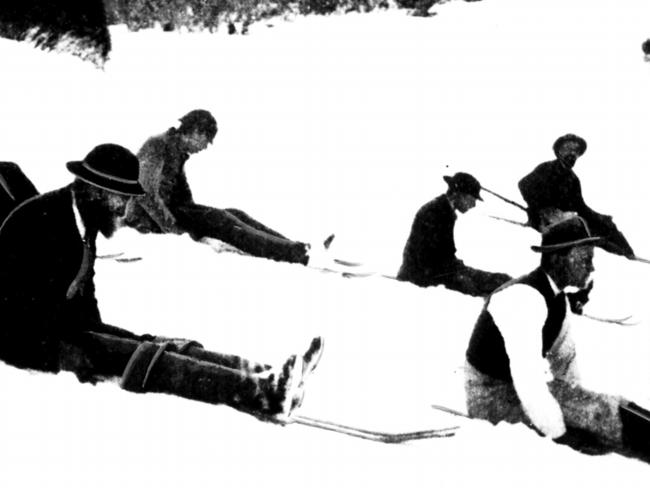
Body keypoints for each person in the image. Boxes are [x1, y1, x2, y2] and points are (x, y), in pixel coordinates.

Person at [0, 143, 322, 422]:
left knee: (149, 343)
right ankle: (263, 393)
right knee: (146, 357)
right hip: (27, 339)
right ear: (96, 191)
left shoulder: (80, 213)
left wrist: (100, 332)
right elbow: (19, 305)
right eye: (121, 198)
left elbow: (84, 285)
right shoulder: (43, 221)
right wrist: (81, 349)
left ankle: (263, 373)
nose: (126, 210)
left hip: (59, 325)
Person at [464, 216, 650, 460]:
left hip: (516, 390)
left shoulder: (558, 300)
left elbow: (565, 361)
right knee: (598, 412)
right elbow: (528, 381)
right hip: (488, 397)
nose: (591, 267)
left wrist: (580, 406)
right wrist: (562, 433)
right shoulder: (523, 299)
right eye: (585, 258)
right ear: (557, 258)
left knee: (604, 406)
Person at [125, 109, 314, 265]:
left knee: (233, 214)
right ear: (196, 132)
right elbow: (145, 193)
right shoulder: (158, 145)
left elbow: (183, 195)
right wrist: (175, 229)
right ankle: (297, 254)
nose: (206, 146)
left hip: (170, 213)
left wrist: (200, 218)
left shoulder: (177, 151)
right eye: (206, 140)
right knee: (220, 218)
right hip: (146, 219)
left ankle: (295, 247)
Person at [518, 134, 634, 258]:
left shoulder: (573, 180)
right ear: (559, 151)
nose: (572, 154)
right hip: (545, 218)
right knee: (576, 225)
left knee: (603, 224)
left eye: (576, 151)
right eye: (568, 149)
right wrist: (543, 209)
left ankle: (624, 250)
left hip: (567, 219)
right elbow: (524, 184)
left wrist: (602, 219)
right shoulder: (546, 168)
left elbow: (580, 206)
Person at [396, 172, 512, 297]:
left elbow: (443, 255)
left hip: (439, 270)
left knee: (502, 279)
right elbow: (426, 259)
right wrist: (460, 277)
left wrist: (460, 271)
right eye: (472, 198)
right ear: (459, 194)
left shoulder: (444, 209)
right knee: (482, 288)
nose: (473, 204)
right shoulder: (435, 212)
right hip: (421, 276)